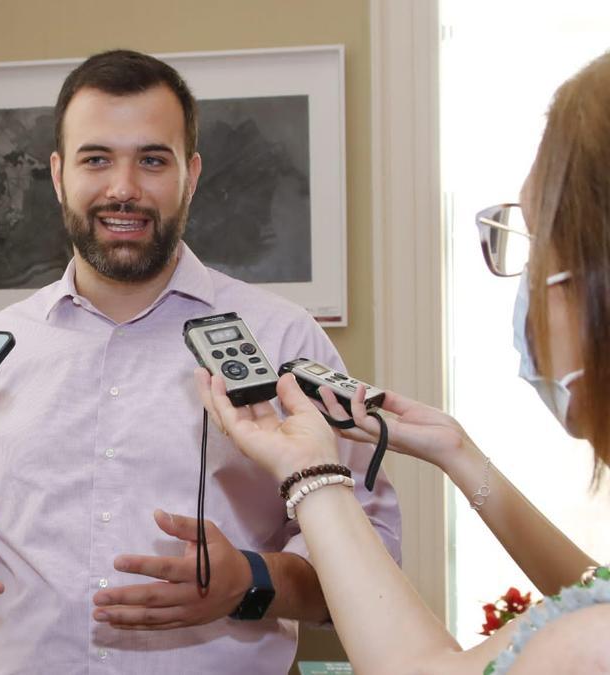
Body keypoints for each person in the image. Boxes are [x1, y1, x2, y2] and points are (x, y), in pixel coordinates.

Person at [0, 49, 401, 673]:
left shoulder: (285, 341)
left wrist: (250, 583)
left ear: (192, 173)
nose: (123, 188)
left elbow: (370, 569)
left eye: (152, 159)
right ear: (57, 175)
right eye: (96, 158)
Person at [199, 51, 610, 673]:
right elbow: (594, 592)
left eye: (539, 241)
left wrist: (309, 471)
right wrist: (457, 452)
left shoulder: (584, 645)